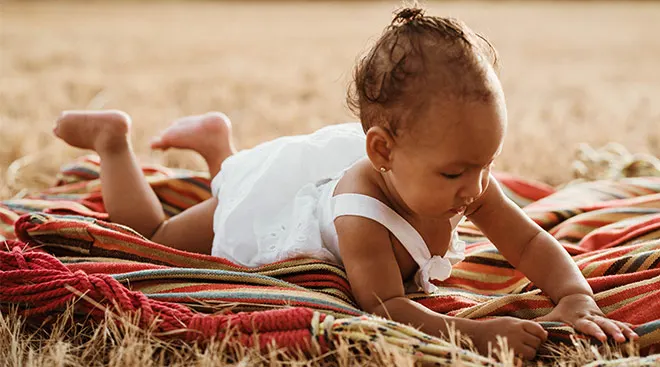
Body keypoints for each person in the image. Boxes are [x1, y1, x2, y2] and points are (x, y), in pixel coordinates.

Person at [52, 6, 637, 360]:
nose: (477, 187)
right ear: (383, 151)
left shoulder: (464, 179)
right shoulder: (361, 216)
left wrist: (574, 296)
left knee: (230, 180)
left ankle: (216, 147)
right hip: (279, 206)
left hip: (341, 172)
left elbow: (530, 242)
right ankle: (115, 141)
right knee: (157, 230)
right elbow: (387, 308)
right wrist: (476, 334)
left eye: (486, 163)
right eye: (456, 171)